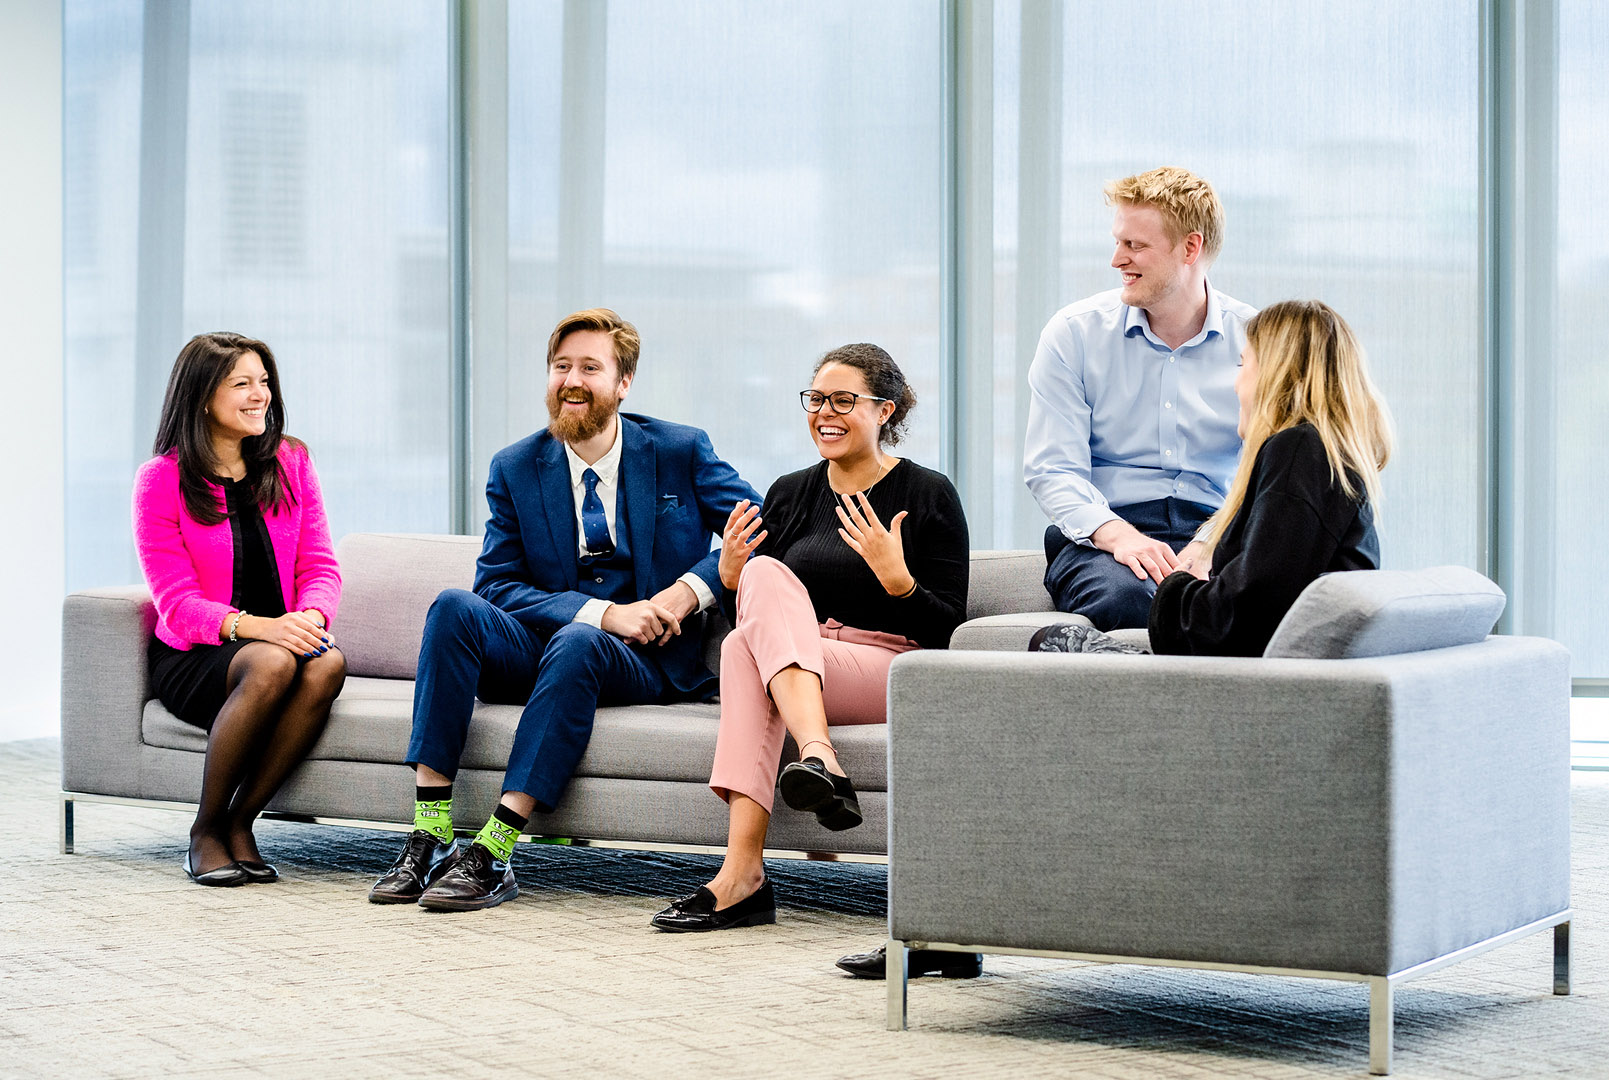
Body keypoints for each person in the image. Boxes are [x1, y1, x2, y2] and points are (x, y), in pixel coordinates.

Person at [368, 308, 759, 911]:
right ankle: (432, 833)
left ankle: (496, 849)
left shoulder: (680, 449)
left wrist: (688, 590)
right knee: (452, 608)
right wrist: (602, 611)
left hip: (646, 658)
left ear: (623, 382)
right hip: (547, 644)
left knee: (579, 643)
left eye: (590, 368)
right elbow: (496, 584)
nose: (571, 381)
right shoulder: (515, 466)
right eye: (560, 366)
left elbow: (761, 528)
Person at [650, 344, 970, 947]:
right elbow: (756, 614)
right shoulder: (791, 492)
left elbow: (947, 630)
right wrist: (730, 579)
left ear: (885, 410)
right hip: (801, 660)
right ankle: (765, 837)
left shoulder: (928, 492)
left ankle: (751, 864)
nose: (825, 412)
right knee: (746, 627)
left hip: (889, 662)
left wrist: (898, 582)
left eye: (844, 400)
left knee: (749, 644)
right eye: (816, 399)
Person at [1032, 298, 1392, 657]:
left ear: (1276, 375)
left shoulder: (1299, 452)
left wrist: (1176, 586)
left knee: (1052, 642)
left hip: (1243, 677)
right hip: (1269, 669)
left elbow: (1240, 617)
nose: (1236, 385)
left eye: (1243, 365)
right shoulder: (1325, 457)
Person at [133, 332, 346, 887]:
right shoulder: (161, 480)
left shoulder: (291, 461)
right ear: (203, 397)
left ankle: (241, 821)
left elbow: (320, 565)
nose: (260, 395)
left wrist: (310, 620)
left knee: (327, 661)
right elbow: (177, 605)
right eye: (242, 384)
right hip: (200, 656)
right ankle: (205, 830)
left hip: (280, 643)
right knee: (271, 661)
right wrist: (263, 630)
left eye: (264, 382)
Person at [1025, 166, 1256, 630]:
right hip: (1105, 536)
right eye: (1118, 241)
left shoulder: (1258, 341)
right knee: (1129, 600)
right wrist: (1118, 535)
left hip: (1220, 528)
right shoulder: (1074, 334)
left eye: (1134, 245)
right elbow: (1053, 469)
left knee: (1252, 604)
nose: (1117, 259)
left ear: (1190, 248)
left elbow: (1268, 470)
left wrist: (1212, 541)